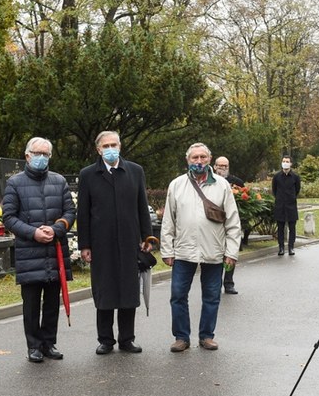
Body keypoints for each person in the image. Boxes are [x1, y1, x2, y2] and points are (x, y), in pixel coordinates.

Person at [160, 143, 242, 352]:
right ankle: (181, 337)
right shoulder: (177, 185)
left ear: (209, 159)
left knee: (212, 295)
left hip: (213, 250)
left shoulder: (222, 185)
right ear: (188, 160)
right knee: (178, 295)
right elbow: (169, 220)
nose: (198, 161)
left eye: (203, 157)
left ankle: (206, 336)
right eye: (194, 157)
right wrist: (167, 250)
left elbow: (233, 221)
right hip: (184, 251)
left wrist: (231, 252)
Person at [77, 131, 152, 355]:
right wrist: (85, 245)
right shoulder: (89, 174)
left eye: (114, 144)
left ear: (120, 146)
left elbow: (142, 207)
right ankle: (106, 340)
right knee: (105, 290)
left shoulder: (135, 171)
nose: (111, 149)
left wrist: (147, 238)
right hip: (102, 243)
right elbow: (83, 213)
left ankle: (127, 338)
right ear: (98, 149)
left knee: (129, 291)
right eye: (106, 145)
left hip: (130, 241)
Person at [3, 137, 76, 363]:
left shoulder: (59, 181)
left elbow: (70, 212)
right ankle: (33, 345)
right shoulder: (15, 183)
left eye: (46, 154)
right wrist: (33, 232)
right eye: (37, 153)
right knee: (32, 303)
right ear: (27, 155)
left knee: (52, 302)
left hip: (55, 251)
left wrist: (56, 229)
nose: (41, 158)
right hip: (30, 252)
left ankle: (49, 343)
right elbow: (8, 217)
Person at [213, 156, 244, 294]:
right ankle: (216, 282)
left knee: (231, 252)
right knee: (216, 254)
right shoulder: (210, 181)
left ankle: (229, 282)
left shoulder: (237, 182)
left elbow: (244, 200)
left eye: (225, 166)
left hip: (231, 222)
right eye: (220, 166)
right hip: (214, 223)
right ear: (215, 167)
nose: (223, 169)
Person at [272, 155, 301, 256]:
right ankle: (281, 248)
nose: (285, 163)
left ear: (291, 163)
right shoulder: (276, 177)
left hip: (291, 205)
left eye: (287, 161)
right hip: (280, 205)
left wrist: (291, 198)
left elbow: (297, 189)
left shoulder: (295, 177)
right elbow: (274, 190)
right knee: (280, 228)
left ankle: (291, 247)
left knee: (292, 228)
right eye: (283, 161)